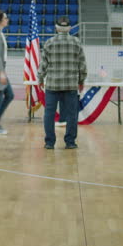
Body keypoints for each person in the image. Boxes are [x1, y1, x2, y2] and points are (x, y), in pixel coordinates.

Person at [39, 15, 87, 150]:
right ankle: (70, 142)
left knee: (49, 114)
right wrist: (81, 80)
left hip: (53, 85)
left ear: (56, 27)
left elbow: (43, 64)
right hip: (71, 85)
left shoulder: (49, 42)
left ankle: (49, 142)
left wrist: (40, 79)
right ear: (70, 28)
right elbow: (82, 65)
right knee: (72, 114)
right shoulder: (76, 42)